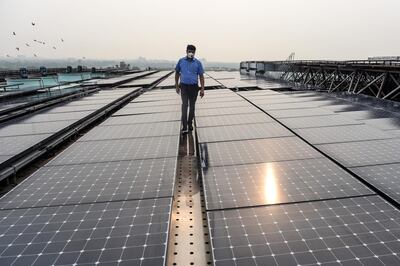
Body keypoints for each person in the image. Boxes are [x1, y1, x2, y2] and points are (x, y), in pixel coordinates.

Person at [175, 44, 205, 134]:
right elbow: (177, 73)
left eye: (192, 52)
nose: (190, 53)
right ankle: (184, 126)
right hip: (184, 86)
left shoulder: (198, 63)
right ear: (186, 51)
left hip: (194, 87)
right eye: (189, 51)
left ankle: (189, 123)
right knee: (184, 105)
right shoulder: (181, 61)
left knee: (192, 107)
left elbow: (201, 76)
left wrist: (202, 89)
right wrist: (176, 85)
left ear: (194, 52)